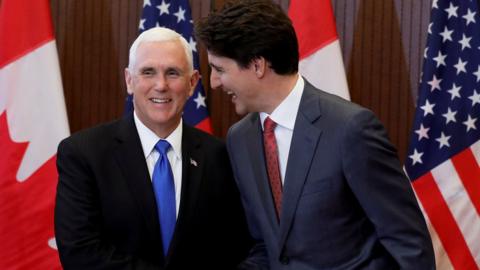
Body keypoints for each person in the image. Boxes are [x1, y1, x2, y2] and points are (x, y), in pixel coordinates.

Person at [195, 1, 435, 269]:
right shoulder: (240, 139)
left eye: (220, 69)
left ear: (257, 65)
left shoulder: (351, 129)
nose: (214, 82)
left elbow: (409, 244)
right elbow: (266, 247)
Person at [54, 27, 251, 270]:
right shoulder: (84, 153)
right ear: (129, 80)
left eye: (173, 73)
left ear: (192, 83)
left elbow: (237, 247)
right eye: (148, 72)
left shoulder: (221, 156)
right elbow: (80, 253)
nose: (161, 85)